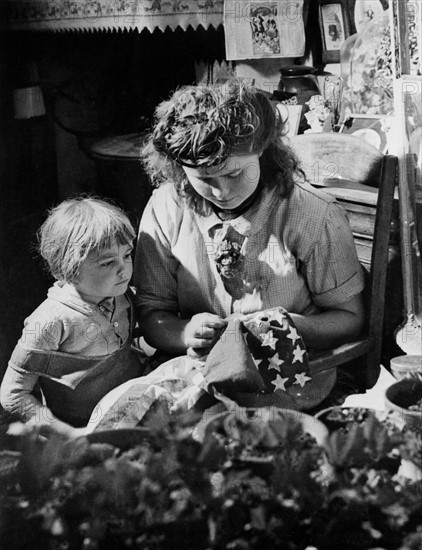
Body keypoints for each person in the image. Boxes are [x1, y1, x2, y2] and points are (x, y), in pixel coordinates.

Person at [134, 80, 365, 374]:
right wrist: (182, 332)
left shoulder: (315, 214)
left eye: (234, 173)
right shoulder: (166, 207)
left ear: (263, 150)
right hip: (195, 371)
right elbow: (152, 312)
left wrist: (278, 326)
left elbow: (349, 318)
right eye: (204, 179)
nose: (221, 192)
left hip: (286, 374)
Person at [1, 197, 145, 438]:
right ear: (67, 269)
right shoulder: (49, 322)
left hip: (137, 410)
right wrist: (68, 435)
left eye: (127, 254)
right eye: (107, 262)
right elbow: (12, 394)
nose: (124, 269)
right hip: (87, 431)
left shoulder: (121, 293)